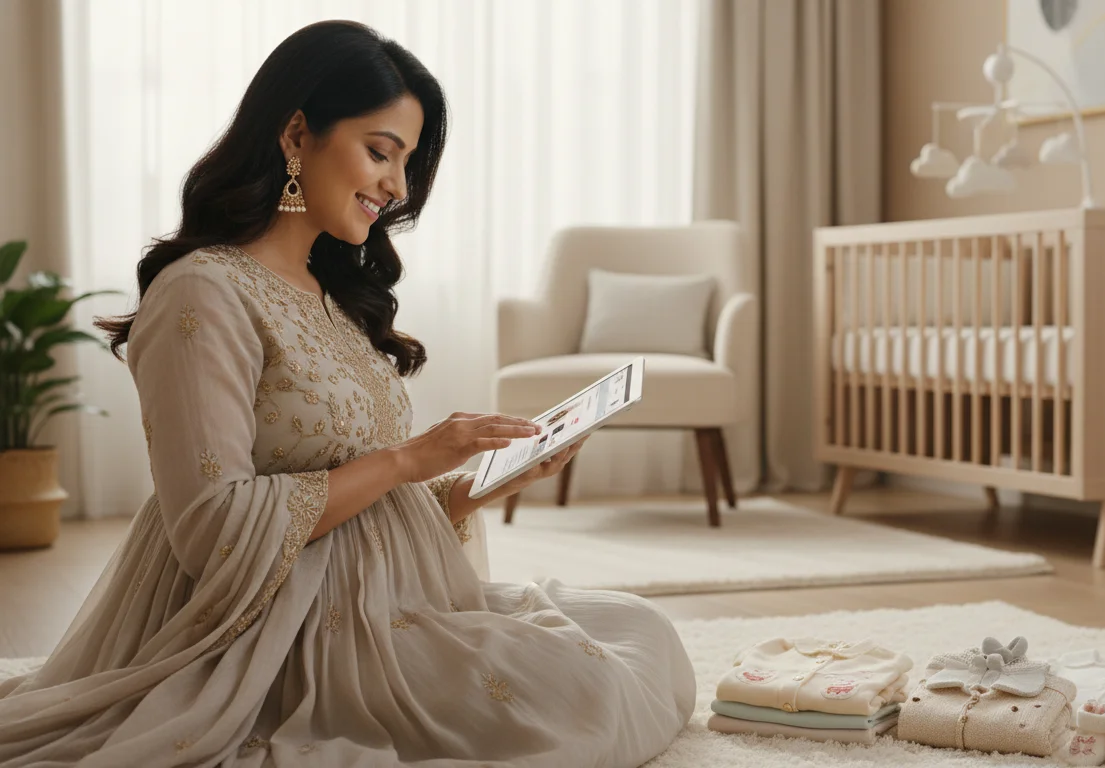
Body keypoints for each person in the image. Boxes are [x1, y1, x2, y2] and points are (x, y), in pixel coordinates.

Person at [0, 20, 694, 767]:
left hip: (389, 600)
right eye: (380, 152)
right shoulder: (201, 292)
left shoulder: (334, 293)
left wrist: (475, 486)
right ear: (297, 134)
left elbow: (359, 506)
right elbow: (209, 526)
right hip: (283, 632)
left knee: (638, 630)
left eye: (406, 164)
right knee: (589, 698)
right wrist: (409, 459)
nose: (397, 187)